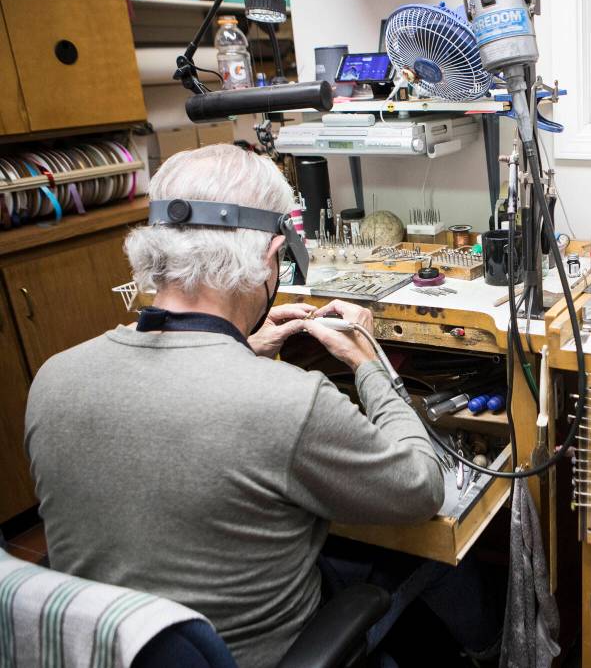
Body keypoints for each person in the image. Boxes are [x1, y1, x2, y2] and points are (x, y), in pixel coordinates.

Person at [24, 145, 447, 668]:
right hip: (265, 656)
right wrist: (370, 363)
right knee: (445, 558)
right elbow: (421, 489)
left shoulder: (54, 379)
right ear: (271, 257)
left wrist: (237, 349)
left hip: (114, 653)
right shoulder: (290, 400)